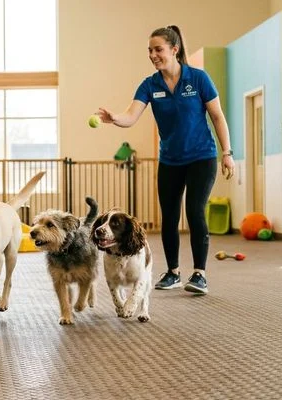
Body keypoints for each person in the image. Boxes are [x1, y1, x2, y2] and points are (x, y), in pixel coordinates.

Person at [96, 25, 234, 295]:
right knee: (169, 217)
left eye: (158, 49)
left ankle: (200, 274)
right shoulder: (150, 84)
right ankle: (173, 272)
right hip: (170, 160)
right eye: (149, 50)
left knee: (194, 211)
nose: (153, 55)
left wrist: (227, 153)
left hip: (202, 157)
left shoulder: (198, 78)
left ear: (174, 49)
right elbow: (131, 116)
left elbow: (217, 116)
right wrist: (114, 119)